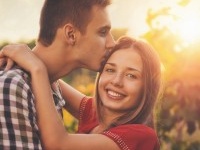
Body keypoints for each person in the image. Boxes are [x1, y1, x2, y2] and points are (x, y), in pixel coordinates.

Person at [0, 36, 162, 150]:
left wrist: (36, 67)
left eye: (131, 75)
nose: (116, 81)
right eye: (110, 69)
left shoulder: (141, 136)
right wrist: (26, 56)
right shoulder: (96, 114)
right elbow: (53, 77)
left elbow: (58, 144)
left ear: (148, 87)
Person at [0, 0, 115, 149]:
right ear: (71, 34)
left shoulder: (49, 85)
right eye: (103, 32)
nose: (112, 43)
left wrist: (36, 66)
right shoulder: (13, 86)